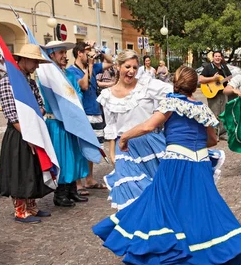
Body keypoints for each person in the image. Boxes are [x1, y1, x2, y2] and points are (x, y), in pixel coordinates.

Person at [93, 66, 241, 265]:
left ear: (176, 83)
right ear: (195, 86)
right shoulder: (202, 110)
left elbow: (149, 126)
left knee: (162, 208)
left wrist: (125, 138)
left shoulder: (171, 103)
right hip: (199, 163)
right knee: (200, 210)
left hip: (175, 163)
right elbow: (212, 140)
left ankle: (165, 260)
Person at [97, 50, 172, 210]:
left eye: (134, 67)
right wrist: (112, 153)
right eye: (127, 66)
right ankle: (133, 229)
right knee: (131, 192)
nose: (131, 71)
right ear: (117, 66)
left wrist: (159, 118)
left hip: (151, 143)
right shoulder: (107, 95)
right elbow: (110, 127)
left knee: (158, 191)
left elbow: (171, 93)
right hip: (125, 149)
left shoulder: (147, 85)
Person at [0, 44, 54, 223]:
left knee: (33, 169)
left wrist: (38, 115)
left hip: (34, 129)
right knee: (20, 170)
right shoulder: (7, 81)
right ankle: (20, 210)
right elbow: (11, 113)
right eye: (34, 61)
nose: (37, 66)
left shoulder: (30, 82)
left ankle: (31, 206)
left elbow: (40, 104)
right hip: (19, 133)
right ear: (23, 59)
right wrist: (27, 133)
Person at [40, 41, 89, 207]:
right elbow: (53, 99)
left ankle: (72, 190)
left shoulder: (68, 74)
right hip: (57, 123)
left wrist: (74, 108)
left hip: (72, 122)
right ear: (51, 55)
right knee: (62, 157)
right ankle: (60, 194)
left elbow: (77, 95)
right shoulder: (46, 77)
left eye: (64, 52)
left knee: (74, 156)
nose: (64, 56)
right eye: (60, 52)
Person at [66, 42, 113, 193]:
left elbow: (110, 62)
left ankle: (90, 179)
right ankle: (78, 182)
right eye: (87, 52)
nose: (89, 55)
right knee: (80, 147)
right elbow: (84, 86)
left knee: (93, 145)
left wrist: (100, 51)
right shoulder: (71, 71)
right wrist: (90, 67)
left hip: (95, 110)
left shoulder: (93, 65)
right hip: (83, 112)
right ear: (79, 53)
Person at [199, 51, 232, 139]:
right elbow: (201, 79)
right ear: (213, 58)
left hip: (223, 92)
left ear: (221, 58)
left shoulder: (224, 67)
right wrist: (213, 78)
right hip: (213, 93)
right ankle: (214, 134)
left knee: (223, 113)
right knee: (214, 113)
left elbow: (229, 76)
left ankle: (222, 133)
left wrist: (229, 80)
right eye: (216, 56)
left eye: (219, 56)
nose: (217, 58)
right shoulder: (208, 67)